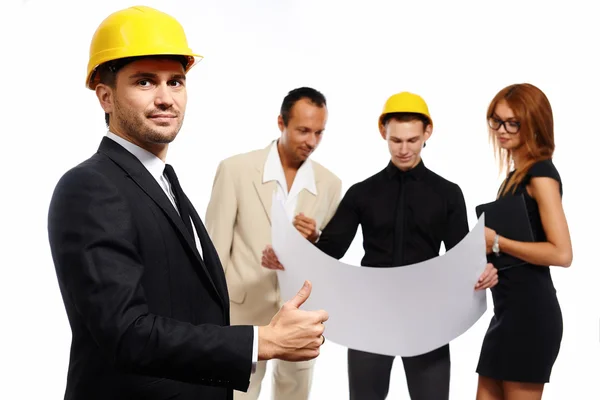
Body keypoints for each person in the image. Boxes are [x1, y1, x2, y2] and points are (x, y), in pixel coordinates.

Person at [47, 6, 328, 400]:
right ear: (105, 96)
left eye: (175, 82)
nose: (166, 98)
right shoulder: (90, 187)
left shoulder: (164, 183)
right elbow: (126, 333)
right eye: (145, 82)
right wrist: (260, 342)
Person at [263, 91, 499, 400]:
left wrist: (485, 269)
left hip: (428, 319)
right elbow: (331, 250)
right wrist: (288, 257)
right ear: (383, 133)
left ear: (427, 133)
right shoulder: (362, 193)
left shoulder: (448, 193)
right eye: (396, 140)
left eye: (412, 140)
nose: (403, 149)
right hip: (369, 318)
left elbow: (459, 258)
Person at [205, 87, 342, 400]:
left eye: (319, 133)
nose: (311, 141)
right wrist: (210, 318)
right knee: (237, 395)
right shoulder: (235, 169)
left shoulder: (331, 184)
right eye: (303, 130)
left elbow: (327, 259)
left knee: (294, 395)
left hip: (300, 313)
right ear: (281, 123)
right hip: (242, 313)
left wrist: (313, 240)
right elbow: (214, 249)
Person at [475, 83, 573, 400]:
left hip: (531, 316)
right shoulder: (514, 178)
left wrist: (498, 242)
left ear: (534, 123)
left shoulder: (540, 175)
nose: (502, 130)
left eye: (512, 122)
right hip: (505, 315)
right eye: (496, 120)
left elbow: (562, 253)